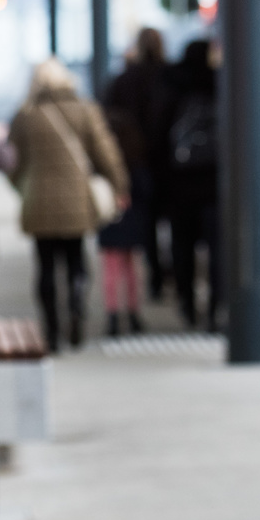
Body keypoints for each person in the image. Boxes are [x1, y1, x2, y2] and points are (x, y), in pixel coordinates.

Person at [9, 58, 128, 352]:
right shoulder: (85, 110)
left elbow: (14, 163)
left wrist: (22, 187)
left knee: (46, 266)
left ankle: (51, 329)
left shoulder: (25, 116)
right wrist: (119, 185)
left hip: (39, 201)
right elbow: (106, 152)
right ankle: (76, 304)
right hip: (77, 199)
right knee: (76, 259)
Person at [98, 29, 164, 336]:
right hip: (149, 170)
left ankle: (114, 313)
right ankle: (137, 306)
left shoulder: (120, 84)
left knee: (112, 259)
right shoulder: (162, 79)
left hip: (118, 185)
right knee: (134, 254)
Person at [164, 39, 222, 330]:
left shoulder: (172, 84)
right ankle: (215, 309)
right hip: (214, 180)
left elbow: (158, 129)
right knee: (216, 249)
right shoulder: (220, 83)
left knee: (183, 247)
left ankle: (187, 305)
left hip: (180, 183)